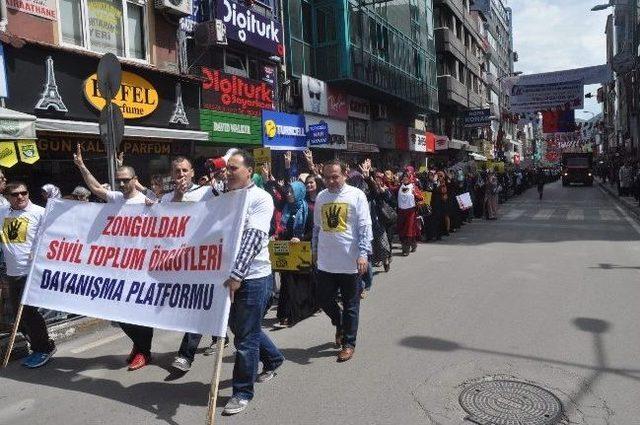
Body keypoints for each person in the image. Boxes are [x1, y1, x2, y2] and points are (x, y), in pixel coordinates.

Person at [73, 144, 154, 371]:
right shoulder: (117, 198)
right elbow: (96, 188)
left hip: (142, 267)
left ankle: (143, 352)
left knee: (140, 313)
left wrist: (154, 206)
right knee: (118, 313)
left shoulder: (148, 201)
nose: (122, 184)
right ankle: (139, 346)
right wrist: (81, 166)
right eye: (119, 180)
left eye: (126, 180)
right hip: (119, 266)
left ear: (135, 179)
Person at [222, 150, 284, 415]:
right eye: (226, 168)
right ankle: (274, 358)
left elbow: (254, 238)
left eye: (233, 168)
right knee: (243, 329)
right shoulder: (225, 198)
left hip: (254, 278)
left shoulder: (261, 198)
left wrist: (237, 275)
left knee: (244, 339)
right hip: (228, 277)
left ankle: (242, 392)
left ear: (249, 170)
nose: (227, 172)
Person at [313, 160, 372, 362]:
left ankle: (349, 343)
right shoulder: (321, 197)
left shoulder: (357, 195)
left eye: (335, 176)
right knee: (322, 299)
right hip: (326, 263)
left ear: (345, 174)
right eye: (327, 177)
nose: (331, 180)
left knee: (351, 305)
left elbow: (365, 227)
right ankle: (340, 323)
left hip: (350, 263)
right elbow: (317, 228)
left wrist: (363, 254)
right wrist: (314, 251)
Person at [1, 181, 56, 368]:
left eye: (24, 193)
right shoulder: (3, 212)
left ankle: (44, 348)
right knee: (18, 315)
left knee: (28, 313)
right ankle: (40, 345)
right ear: (7, 198)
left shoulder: (40, 212)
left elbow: (54, 236)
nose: (20, 197)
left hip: (31, 272)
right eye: (15, 195)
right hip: (11, 272)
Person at [274, 181, 315, 328]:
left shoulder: (308, 210)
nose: (289, 194)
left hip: (301, 251)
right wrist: (277, 235)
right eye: (288, 191)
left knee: (300, 283)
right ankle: (285, 314)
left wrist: (300, 238)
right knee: (286, 282)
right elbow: (280, 227)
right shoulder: (285, 209)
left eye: (292, 192)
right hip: (286, 251)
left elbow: (313, 231)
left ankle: (294, 313)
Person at [395, 171, 423, 256]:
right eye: (403, 177)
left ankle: (405, 250)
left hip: (410, 212)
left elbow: (421, 197)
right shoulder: (399, 186)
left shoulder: (413, 187)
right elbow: (391, 190)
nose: (405, 178)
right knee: (402, 229)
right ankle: (413, 243)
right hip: (401, 211)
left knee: (409, 230)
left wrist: (416, 195)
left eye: (406, 177)